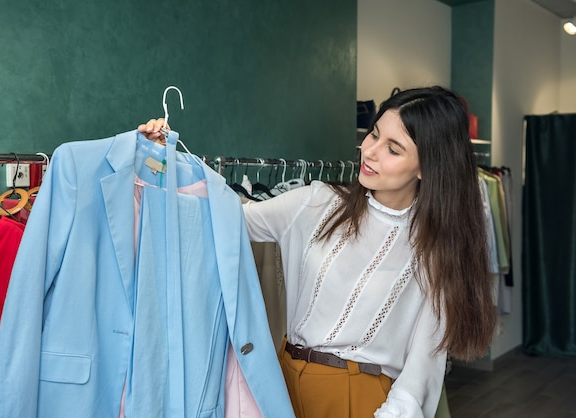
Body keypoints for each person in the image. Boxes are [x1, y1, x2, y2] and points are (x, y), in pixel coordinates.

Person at [138, 85, 497, 417]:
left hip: (359, 400)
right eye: (374, 134)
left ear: (427, 167)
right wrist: (159, 161)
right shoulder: (317, 202)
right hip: (279, 382)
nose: (369, 152)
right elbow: (222, 217)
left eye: (393, 148)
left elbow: (423, 365)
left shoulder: (435, 248)